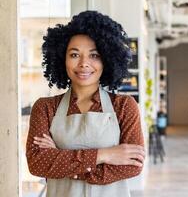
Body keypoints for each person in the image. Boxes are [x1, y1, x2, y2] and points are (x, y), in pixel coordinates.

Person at [26, 10, 145, 197]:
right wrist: (105, 155)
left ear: (107, 59)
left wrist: (61, 161)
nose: (83, 63)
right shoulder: (45, 108)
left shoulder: (124, 106)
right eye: (74, 55)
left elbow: (133, 165)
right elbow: (37, 163)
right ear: (62, 59)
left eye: (94, 55)